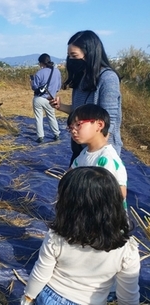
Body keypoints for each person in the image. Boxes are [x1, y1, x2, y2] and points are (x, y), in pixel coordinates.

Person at [21, 167, 140, 305]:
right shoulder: (127, 249)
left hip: (50, 297)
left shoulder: (57, 238)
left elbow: (41, 274)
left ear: (70, 206)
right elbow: (128, 296)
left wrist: (28, 298)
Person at [50, 30, 122, 164]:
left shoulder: (107, 78)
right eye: (68, 55)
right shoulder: (81, 78)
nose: (70, 60)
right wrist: (61, 107)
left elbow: (109, 119)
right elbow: (79, 111)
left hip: (99, 150)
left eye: (74, 55)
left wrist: (96, 152)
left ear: (90, 54)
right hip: (81, 147)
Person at [67, 104, 127, 208]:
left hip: (105, 219)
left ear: (99, 125)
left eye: (78, 124)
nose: (73, 130)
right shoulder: (85, 152)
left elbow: (120, 193)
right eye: (71, 127)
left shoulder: (106, 158)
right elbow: (70, 173)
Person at [31, 53, 61, 143]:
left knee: (38, 118)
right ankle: (56, 134)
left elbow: (34, 87)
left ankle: (40, 137)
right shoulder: (57, 71)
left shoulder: (39, 73)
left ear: (41, 63)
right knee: (52, 116)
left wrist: (31, 82)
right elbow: (59, 86)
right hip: (50, 98)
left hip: (39, 98)